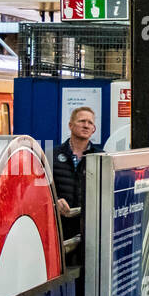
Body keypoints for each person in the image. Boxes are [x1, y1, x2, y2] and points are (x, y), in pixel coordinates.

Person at [53, 106, 104, 265]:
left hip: (89, 231)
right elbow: (39, 192)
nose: (86, 125)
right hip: (59, 230)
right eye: (82, 121)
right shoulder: (51, 155)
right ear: (70, 125)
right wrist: (55, 201)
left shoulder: (101, 157)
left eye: (90, 123)